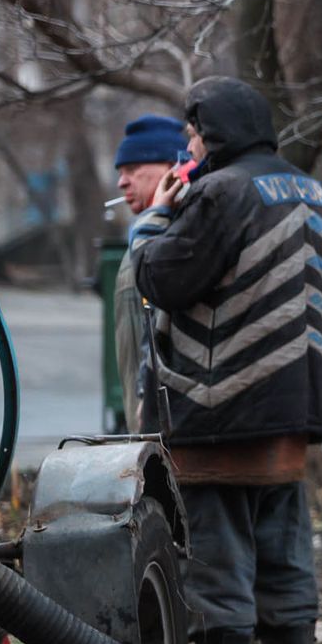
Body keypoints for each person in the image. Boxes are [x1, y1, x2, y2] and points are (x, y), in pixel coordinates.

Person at [127, 76, 322, 644]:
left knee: (219, 556)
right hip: (295, 410)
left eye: (193, 133)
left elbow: (160, 278)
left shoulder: (219, 193)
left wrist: (154, 218)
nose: (188, 145)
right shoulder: (313, 192)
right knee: (284, 549)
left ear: (215, 132)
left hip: (217, 410)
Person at [109, 114, 187, 433]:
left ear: (172, 169)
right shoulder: (144, 236)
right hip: (144, 423)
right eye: (120, 172)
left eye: (132, 170)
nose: (121, 182)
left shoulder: (178, 236)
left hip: (165, 424)